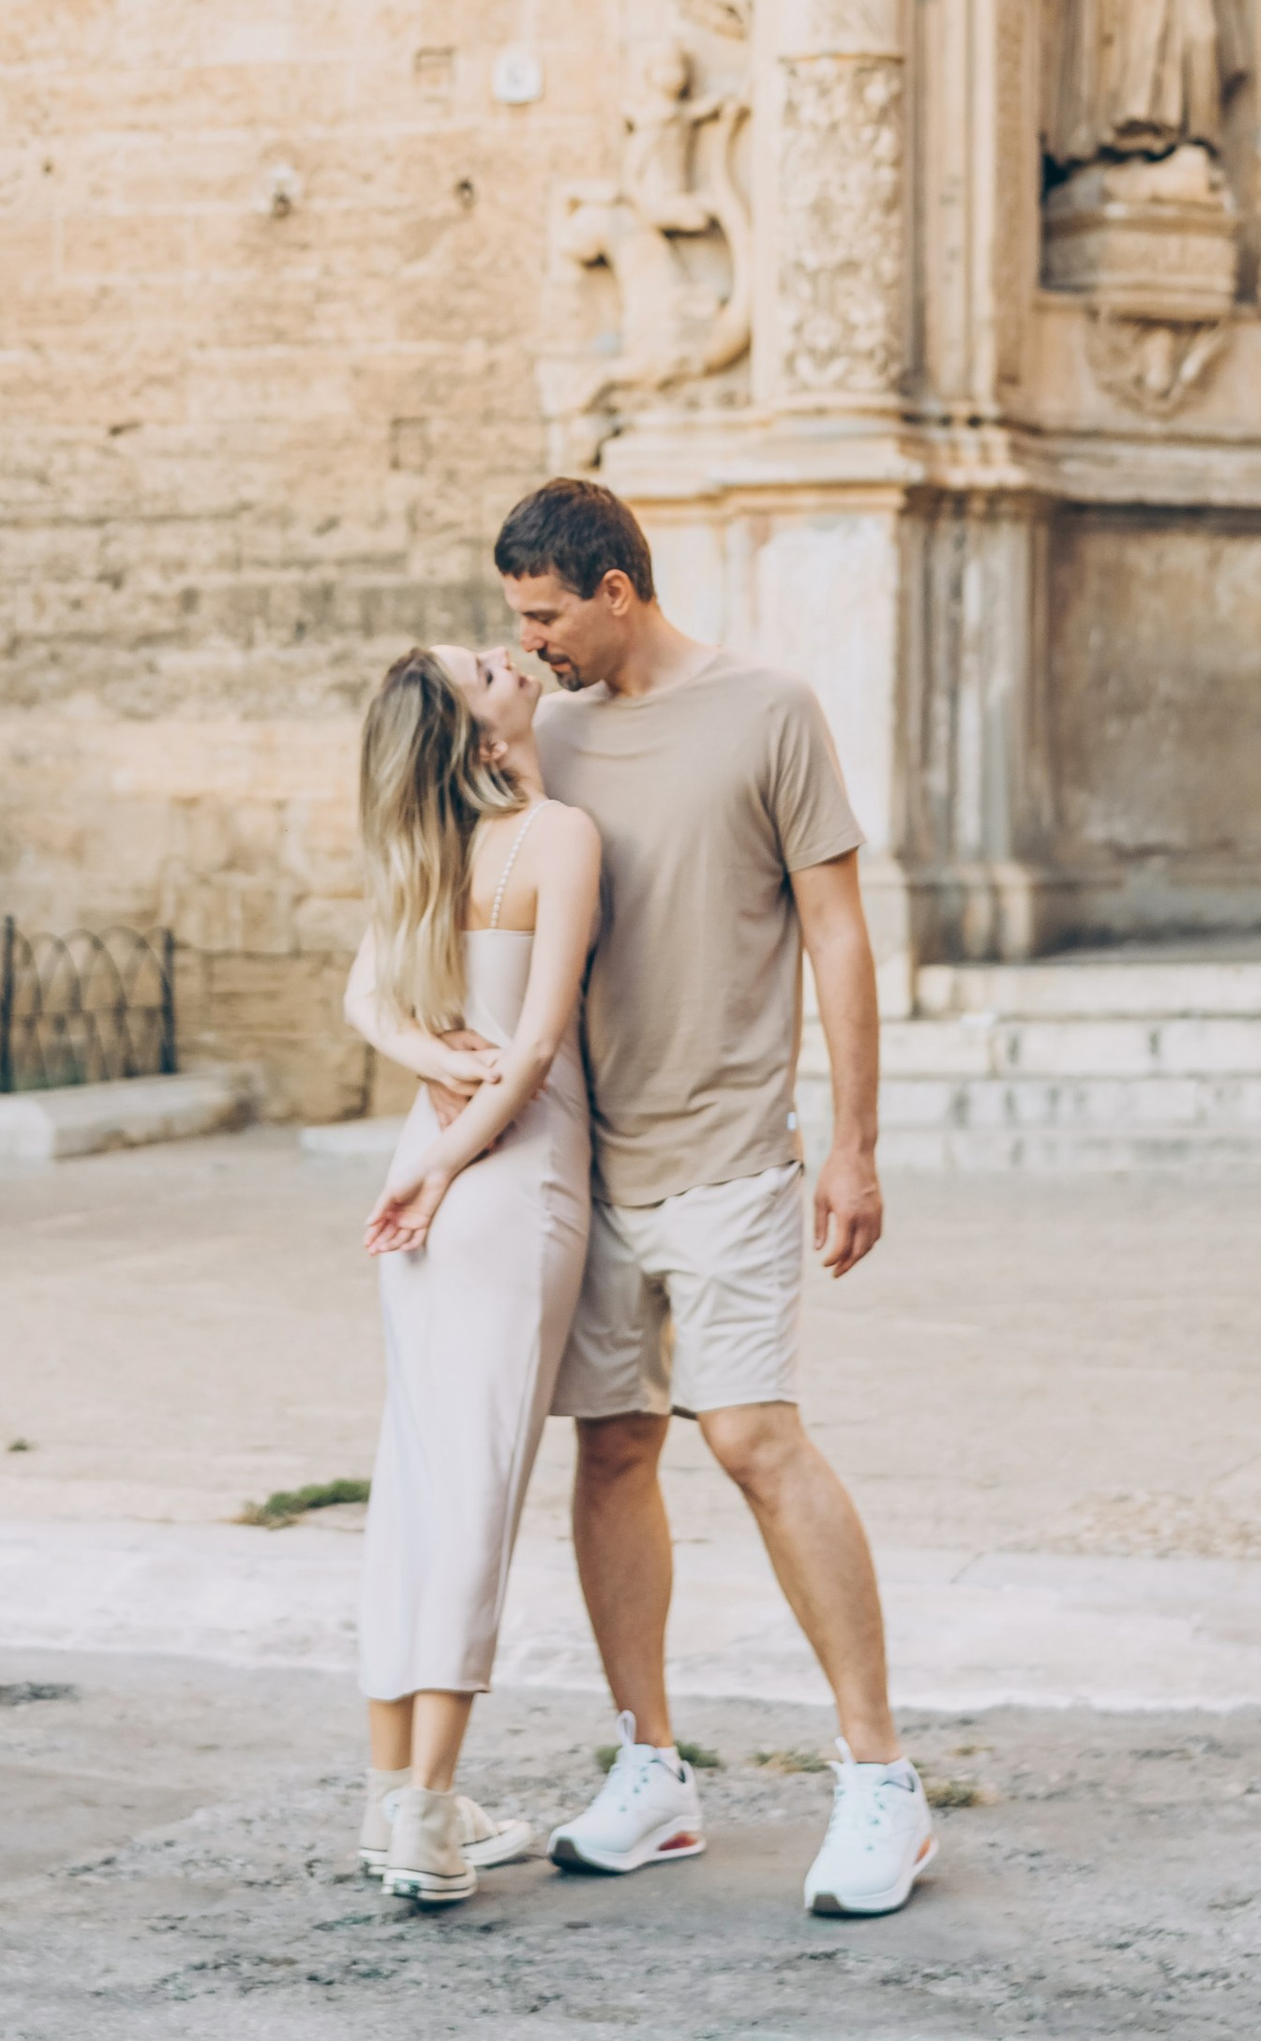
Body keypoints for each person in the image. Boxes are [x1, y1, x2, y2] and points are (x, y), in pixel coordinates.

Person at [496, 474, 936, 1919]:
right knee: (612, 1449)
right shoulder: (544, 733)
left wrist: (856, 1144)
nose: (534, 641)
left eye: (548, 616)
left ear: (616, 591)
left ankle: (880, 1779)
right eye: (520, 619)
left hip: (736, 1149)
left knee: (750, 1438)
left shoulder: (768, 711)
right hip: (588, 1158)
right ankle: (652, 1768)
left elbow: (839, 934)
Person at [342, 641, 601, 1907]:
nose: (501, 653)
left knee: (418, 1473)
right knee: (479, 1484)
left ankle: (390, 1789)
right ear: (471, 728)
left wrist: (427, 1129)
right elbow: (539, 1043)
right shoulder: (557, 836)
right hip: (508, 1173)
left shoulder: (423, 850)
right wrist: (449, 1165)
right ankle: (430, 1817)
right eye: (476, 667)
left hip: (431, 1160)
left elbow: (364, 999)